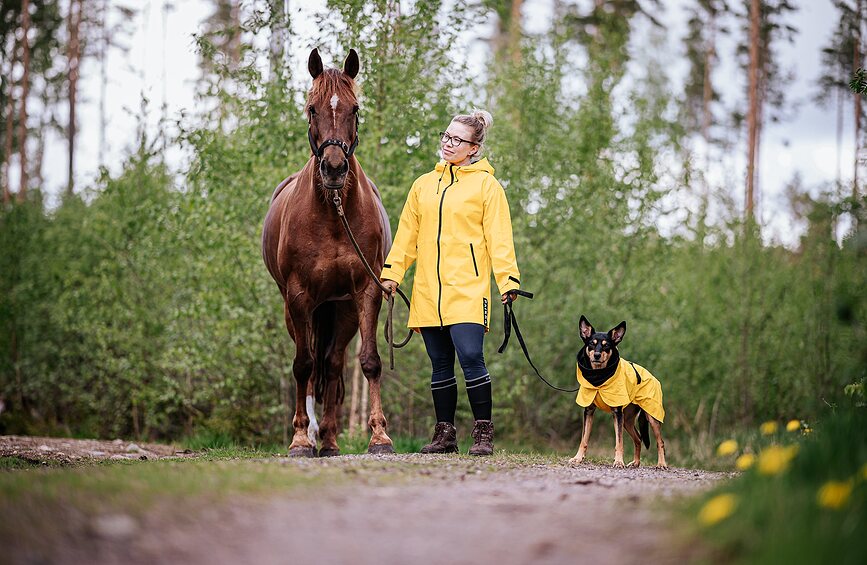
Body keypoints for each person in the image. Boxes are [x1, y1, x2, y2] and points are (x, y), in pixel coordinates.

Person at [380, 109, 522, 456]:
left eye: (457, 139)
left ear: (474, 148)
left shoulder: (488, 186)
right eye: (446, 136)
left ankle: (483, 434)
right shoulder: (422, 185)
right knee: (439, 363)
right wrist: (392, 273)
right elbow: (406, 237)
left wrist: (508, 280)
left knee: (471, 356)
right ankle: (445, 435)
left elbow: (499, 238)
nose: (448, 143)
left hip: (469, 289)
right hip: (429, 290)